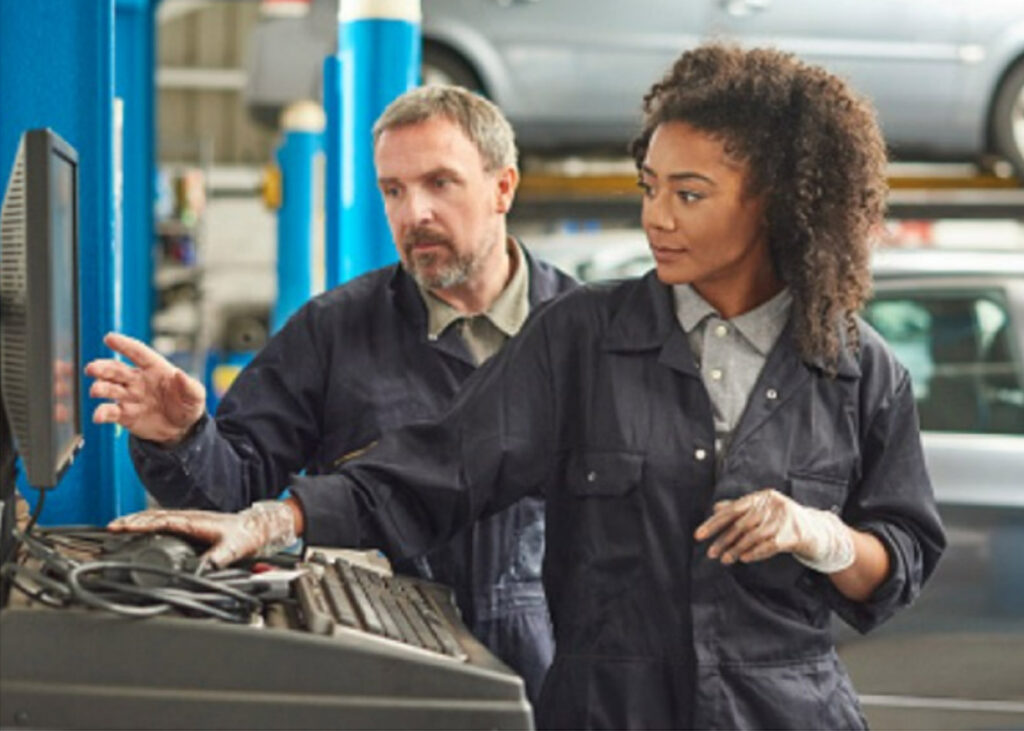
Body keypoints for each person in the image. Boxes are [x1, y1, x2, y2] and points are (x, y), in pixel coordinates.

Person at [105, 45, 946, 729]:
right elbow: (432, 468)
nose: (656, 216)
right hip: (601, 707)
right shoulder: (583, 336)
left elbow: (897, 562)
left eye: (689, 194)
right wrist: (266, 516)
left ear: (779, 207)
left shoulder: (861, 371)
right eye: (649, 187)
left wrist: (825, 537)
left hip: (787, 710)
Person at [85, 85, 575, 705]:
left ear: (503, 187)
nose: (412, 213)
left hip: (546, 668)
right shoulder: (334, 331)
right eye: (392, 190)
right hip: (380, 666)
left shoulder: (578, 334)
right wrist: (182, 438)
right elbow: (234, 492)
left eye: (439, 183)